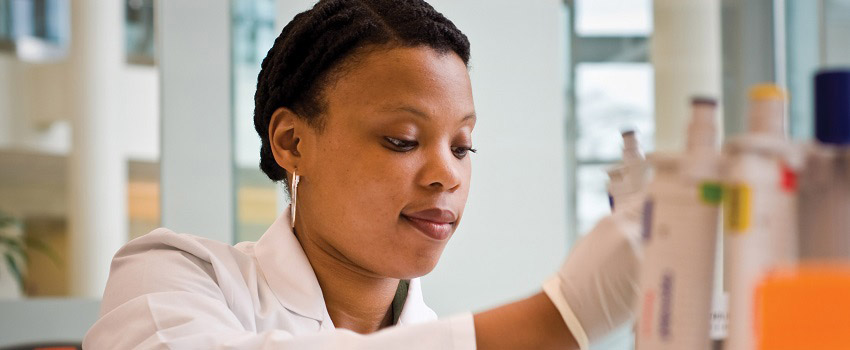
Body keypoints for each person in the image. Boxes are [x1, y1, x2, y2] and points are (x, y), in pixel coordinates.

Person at [83, 0, 643, 349]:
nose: (447, 174)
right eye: (403, 140)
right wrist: (557, 318)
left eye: (464, 145)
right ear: (292, 142)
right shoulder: (171, 276)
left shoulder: (435, 329)